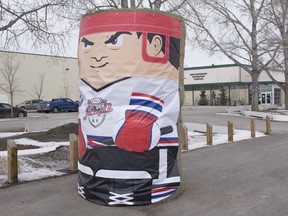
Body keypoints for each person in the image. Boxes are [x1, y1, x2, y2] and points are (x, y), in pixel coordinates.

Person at [78, 10, 182, 206]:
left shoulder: (147, 82)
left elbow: (152, 94)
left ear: (155, 44)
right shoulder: (91, 84)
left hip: (145, 171)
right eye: (87, 45)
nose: (97, 57)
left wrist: (142, 123)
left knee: (138, 146)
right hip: (95, 170)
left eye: (114, 42)